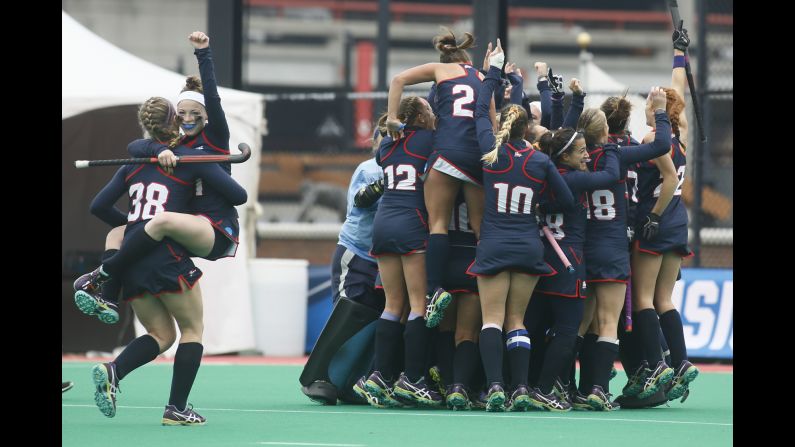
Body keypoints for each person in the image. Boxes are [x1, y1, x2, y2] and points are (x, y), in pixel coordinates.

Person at [80, 96, 247, 425]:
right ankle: (176, 409)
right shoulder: (186, 158)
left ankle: (114, 369)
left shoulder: (133, 161)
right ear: (173, 125)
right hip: (164, 255)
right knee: (191, 330)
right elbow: (238, 196)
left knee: (160, 334)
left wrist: (133, 227)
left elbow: (99, 206)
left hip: (131, 258)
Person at [73, 31, 239, 323]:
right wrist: (158, 148)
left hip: (215, 226)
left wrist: (203, 53)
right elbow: (135, 146)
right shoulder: (179, 144)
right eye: (182, 114)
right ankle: (109, 296)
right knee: (117, 234)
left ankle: (103, 275)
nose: (187, 119)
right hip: (185, 225)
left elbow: (239, 196)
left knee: (158, 222)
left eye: (195, 113)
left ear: (208, 116)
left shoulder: (214, 139)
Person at [467, 41, 574, 412]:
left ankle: (496, 386)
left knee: (491, 320)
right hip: (529, 246)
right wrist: (537, 202)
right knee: (517, 320)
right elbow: (566, 201)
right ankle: (522, 388)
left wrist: (492, 71)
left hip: (494, 244)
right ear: (529, 129)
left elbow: (481, 111)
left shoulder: (491, 152)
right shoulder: (539, 161)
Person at [386, 28, 495, 328]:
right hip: (475, 157)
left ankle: (435, 289)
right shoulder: (483, 78)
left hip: (446, 154)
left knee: (437, 223)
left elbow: (398, 80)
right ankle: (488, 286)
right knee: (479, 227)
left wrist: (393, 118)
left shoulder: (439, 70)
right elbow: (492, 124)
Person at [575, 87, 672, 411]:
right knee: (608, 323)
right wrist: (660, 111)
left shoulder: (576, 156)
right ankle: (598, 390)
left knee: (582, 324)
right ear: (605, 132)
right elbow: (662, 145)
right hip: (614, 245)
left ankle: (574, 387)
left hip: (584, 246)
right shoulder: (617, 153)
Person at [525, 127, 620, 412]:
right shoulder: (575, 178)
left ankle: (529, 384)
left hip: (543, 263)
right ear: (564, 155)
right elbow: (610, 176)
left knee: (538, 328)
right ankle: (543, 389)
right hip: (569, 265)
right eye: (581, 151)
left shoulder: (543, 174)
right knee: (567, 332)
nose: (588, 155)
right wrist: (610, 147)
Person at [630, 26, 699, 402]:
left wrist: (652, 216)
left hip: (658, 220)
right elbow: (680, 91)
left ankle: (658, 365)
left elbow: (669, 181)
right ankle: (683, 361)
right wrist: (679, 53)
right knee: (664, 299)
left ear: (656, 112)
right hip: (680, 222)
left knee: (643, 298)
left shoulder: (651, 141)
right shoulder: (682, 131)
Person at [364, 97, 442, 407]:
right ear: (422, 115)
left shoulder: (386, 143)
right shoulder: (428, 138)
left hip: (384, 223)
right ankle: (412, 379)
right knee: (417, 305)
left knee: (392, 305)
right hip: (411, 222)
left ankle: (379, 376)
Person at [302, 125, 387, 406]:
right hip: (359, 254)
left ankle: (352, 381)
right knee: (349, 312)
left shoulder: (412, 168)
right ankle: (321, 377)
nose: (387, 140)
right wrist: (386, 181)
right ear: (373, 142)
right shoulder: (369, 168)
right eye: (382, 134)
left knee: (379, 319)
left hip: (391, 259)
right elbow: (361, 202)